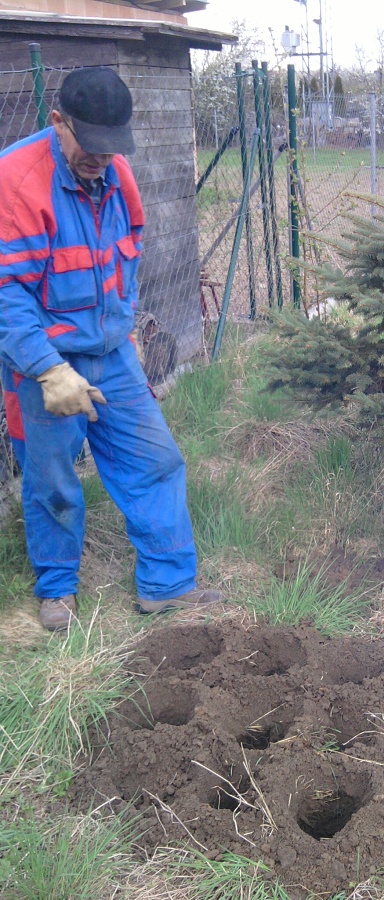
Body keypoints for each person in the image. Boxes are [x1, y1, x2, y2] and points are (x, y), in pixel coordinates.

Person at [0, 66, 222, 631]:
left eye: (111, 147)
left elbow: (128, 255)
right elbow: (8, 295)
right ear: (58, 122)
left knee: (157, 461)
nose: (101, 159)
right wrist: (48, 370)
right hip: (44, 361)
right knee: (50, 477)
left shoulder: (117, 174)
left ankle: (167, 586)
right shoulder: (17, 182)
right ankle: (56, 591)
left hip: (113, 350)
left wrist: (123, 329)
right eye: (90, 146)